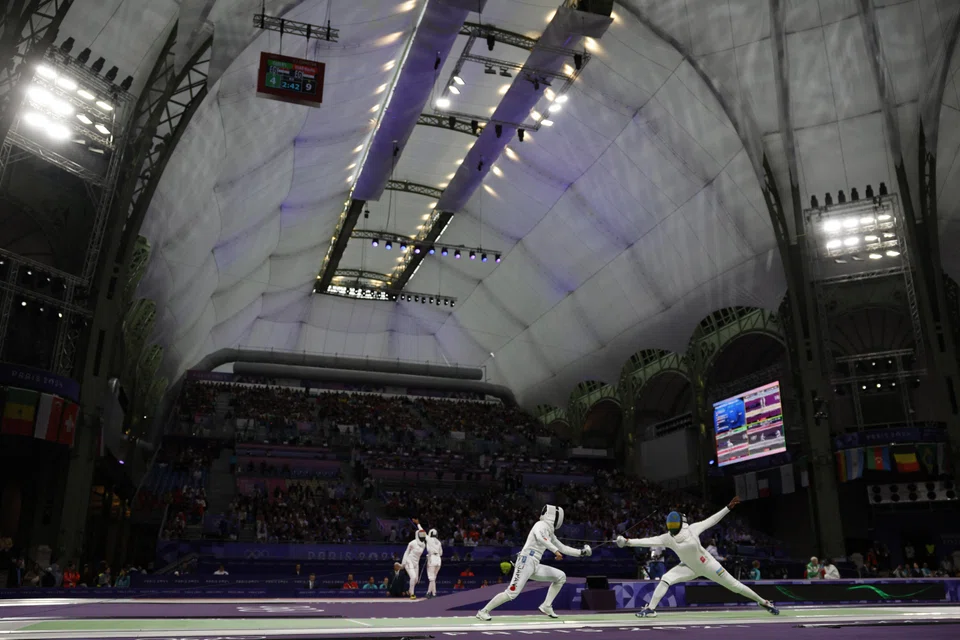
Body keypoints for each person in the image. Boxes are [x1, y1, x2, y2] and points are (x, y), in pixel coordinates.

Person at [616, 497, 779, 618]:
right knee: (666, 578)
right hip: (688, 567)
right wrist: (628, 541)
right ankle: (651, 609)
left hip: (708, 564)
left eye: (674, 524)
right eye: (670, 524)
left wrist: (727, 508)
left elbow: (712, 520)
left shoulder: (693, 529)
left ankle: (763, 602)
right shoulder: (668, 538)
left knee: (735, 586)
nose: (671, 527)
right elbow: (647, 541)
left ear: (682, 523)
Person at [476, 505, 592, 621]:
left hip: (534, 565)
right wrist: (554, 551)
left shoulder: (550, 533)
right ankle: (483, 611)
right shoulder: (540, 525)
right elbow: (542, 538)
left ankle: (546, 606)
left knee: (560, 577)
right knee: (512, 593)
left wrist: (581, 552)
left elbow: (563, 548)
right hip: (525, 562)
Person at [401, 518, 427, 600]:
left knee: (415, 580)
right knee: (412, 577)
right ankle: (412, 594)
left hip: (416, 563)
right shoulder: (412, 543)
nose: (423, 536)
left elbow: (422, 532)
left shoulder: (423, 544)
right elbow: (406, 553)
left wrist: (418, 524)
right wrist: (403, 564)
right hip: (409, 561)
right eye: (421, 535)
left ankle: (409, 591)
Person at [425, 528, 443, 598]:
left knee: (431, 578)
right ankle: (429, 593)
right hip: (438, 559)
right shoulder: (439, 542)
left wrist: (418, 524)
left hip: (432, 559)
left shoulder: (429, 539)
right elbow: (441, 553)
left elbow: (423, 532)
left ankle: (434, 594)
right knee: (433, 578)